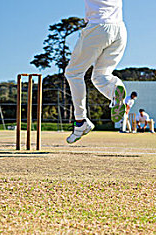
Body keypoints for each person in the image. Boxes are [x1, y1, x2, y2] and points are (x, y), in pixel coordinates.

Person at [65, 0, 128, 144]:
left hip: (99, 27)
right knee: (101, 75)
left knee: (73, 73)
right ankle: (114, 90)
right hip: (120, 30)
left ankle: (80, 121)